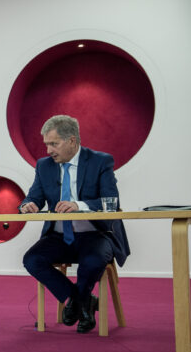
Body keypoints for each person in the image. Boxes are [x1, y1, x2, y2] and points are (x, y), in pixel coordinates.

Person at [20, 115, 130, 333]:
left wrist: (79, 205)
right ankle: (81, 301)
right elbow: (33, 196)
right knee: (32, 260)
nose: (48, 150)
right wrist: (27, 204)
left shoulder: (100, 161)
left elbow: (112, 201)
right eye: (46, 145)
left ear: (72, 141)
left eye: (54, 144)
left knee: (92, 261)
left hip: (95, 235)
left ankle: (77, 304)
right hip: (59, 236)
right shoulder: (44, 166)